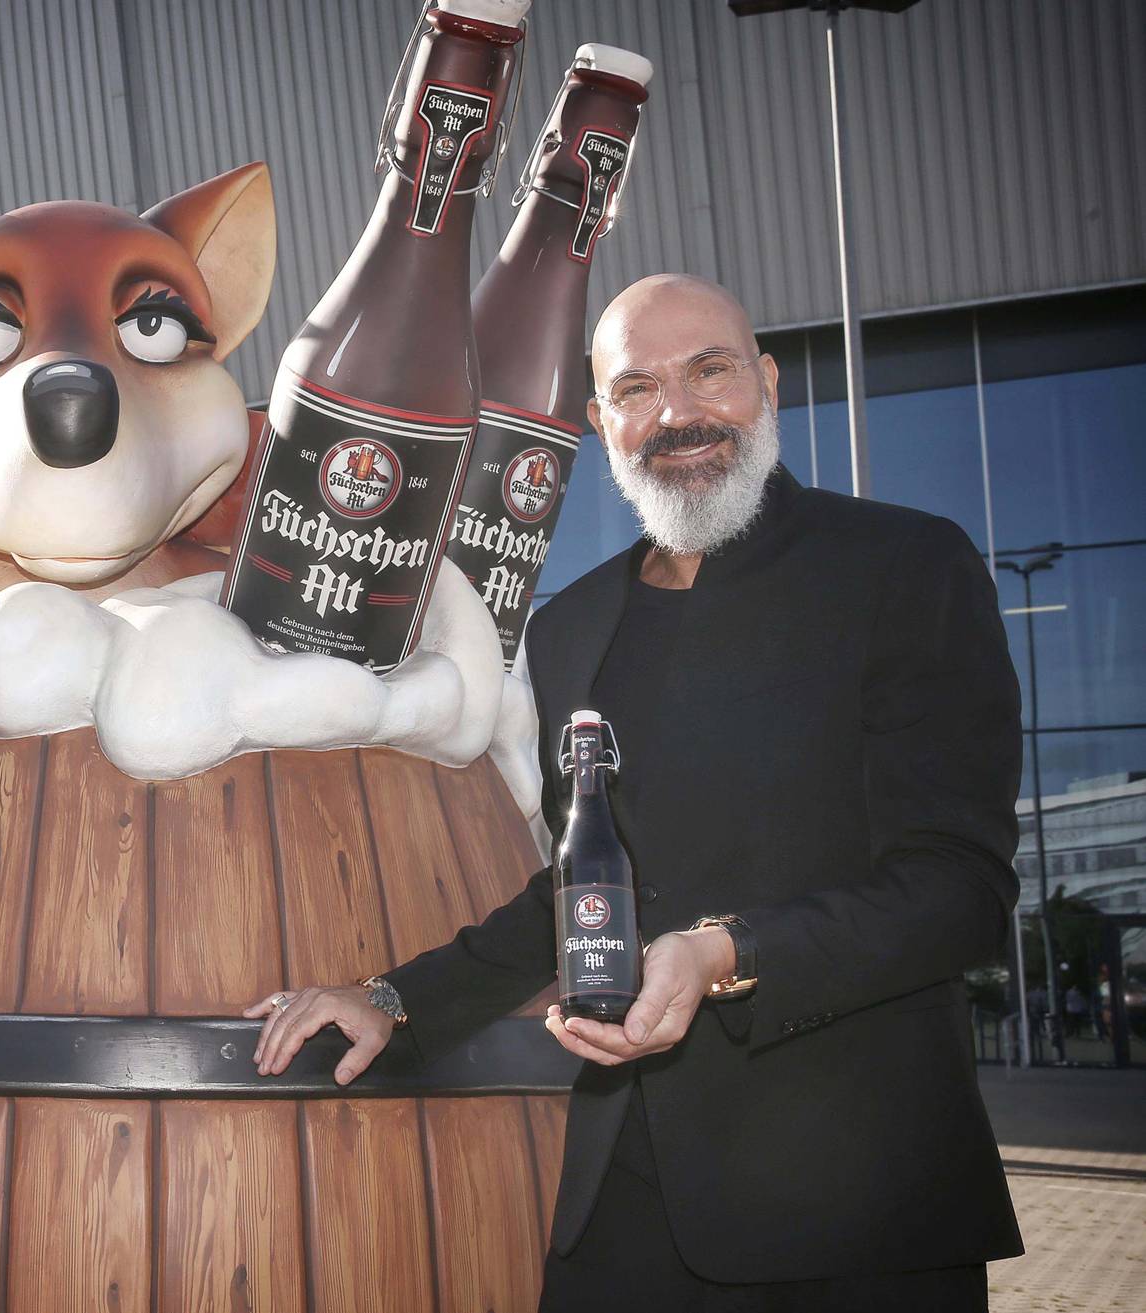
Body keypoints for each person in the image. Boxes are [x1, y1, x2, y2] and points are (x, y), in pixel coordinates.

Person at [248, 275, 1024, 1309]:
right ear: (600, 420)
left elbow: (960, 886)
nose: (678, 413)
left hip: (853, 1209)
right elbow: (573, 895)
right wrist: (391, 997)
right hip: (623, 1213)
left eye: (710, 371)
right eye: (638, 387)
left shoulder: (905, 568)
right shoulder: (572, 629)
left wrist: (726, 953)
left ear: (769, 383)